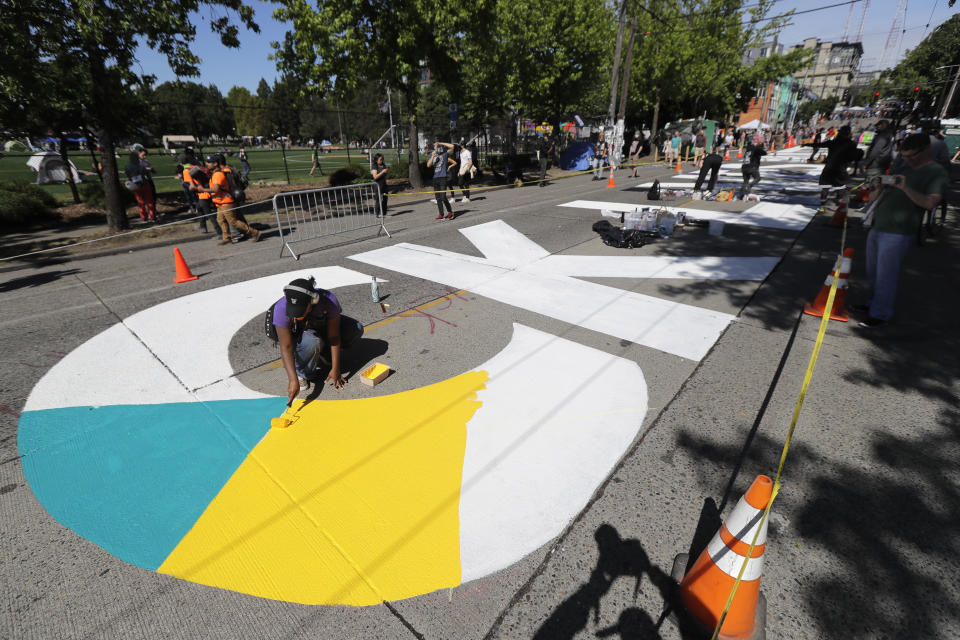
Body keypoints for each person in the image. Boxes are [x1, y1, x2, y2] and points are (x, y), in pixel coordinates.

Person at [858, 133, 947, 328]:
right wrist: (879, 187)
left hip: (899, 231)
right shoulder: (904, 166)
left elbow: (931, 203)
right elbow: (873, 198)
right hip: (878, 225)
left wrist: (905, 188)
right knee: (873, 271)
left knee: (886, 274)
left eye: (912, 155)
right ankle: (872, 304)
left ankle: (880, 314)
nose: (907, 159)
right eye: (905, 156)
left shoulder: (935, 171)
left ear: (925, 150)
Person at [272, 277, 364, 402]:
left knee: (355, 328)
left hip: (320, 327)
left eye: (300, 311)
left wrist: (336, 368)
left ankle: (325, 356)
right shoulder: (281, 308)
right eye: (293, 311)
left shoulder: (329, 301)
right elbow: (286, 347)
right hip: (299, 336)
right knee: (312, 342)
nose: (296, 315)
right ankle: (302, 372)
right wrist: (293, 380)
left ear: (313, 301)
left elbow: (334, 336)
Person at [196, 154, 260, 245]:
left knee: (233, 221)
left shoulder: (218, 174)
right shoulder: (215, 174)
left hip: (226, 202)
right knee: (221, 220)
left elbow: (216, 189)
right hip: (220, 203)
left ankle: (254, 232)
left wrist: (203, 190)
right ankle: (227, 238)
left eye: (209, 162)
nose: (207, 164)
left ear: (215, 164)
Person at [809, 125, 862, 212]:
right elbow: (854, 157)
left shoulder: (834, 142)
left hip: (830, 167)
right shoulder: (851, 144)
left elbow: (821, 145)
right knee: (840, 188)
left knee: (825, 188)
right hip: (840, 169)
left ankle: (823, 207)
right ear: (849, 134)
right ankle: (840, 209)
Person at [124, 151, 157, 223]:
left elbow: (128, 175)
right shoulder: (141, 166)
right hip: (145, 184)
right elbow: (145, 173)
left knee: (140, 203)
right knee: (149, 201)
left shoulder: (127, 167)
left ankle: (144, 218)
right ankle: (153, 217)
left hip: (136, 186)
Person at [427, 141, 456, 220]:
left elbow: (452, 146)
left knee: (443, 197)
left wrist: (441, 143)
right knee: (438, 198)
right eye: (436, 147)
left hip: (443, 177)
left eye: (439, 147)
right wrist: (433, 156)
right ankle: (441, 214)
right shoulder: (432, 154)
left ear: (441, 148)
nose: (437, 148)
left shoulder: (445, 154)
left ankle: (450, 212)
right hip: (435, 178)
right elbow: (428, 165)